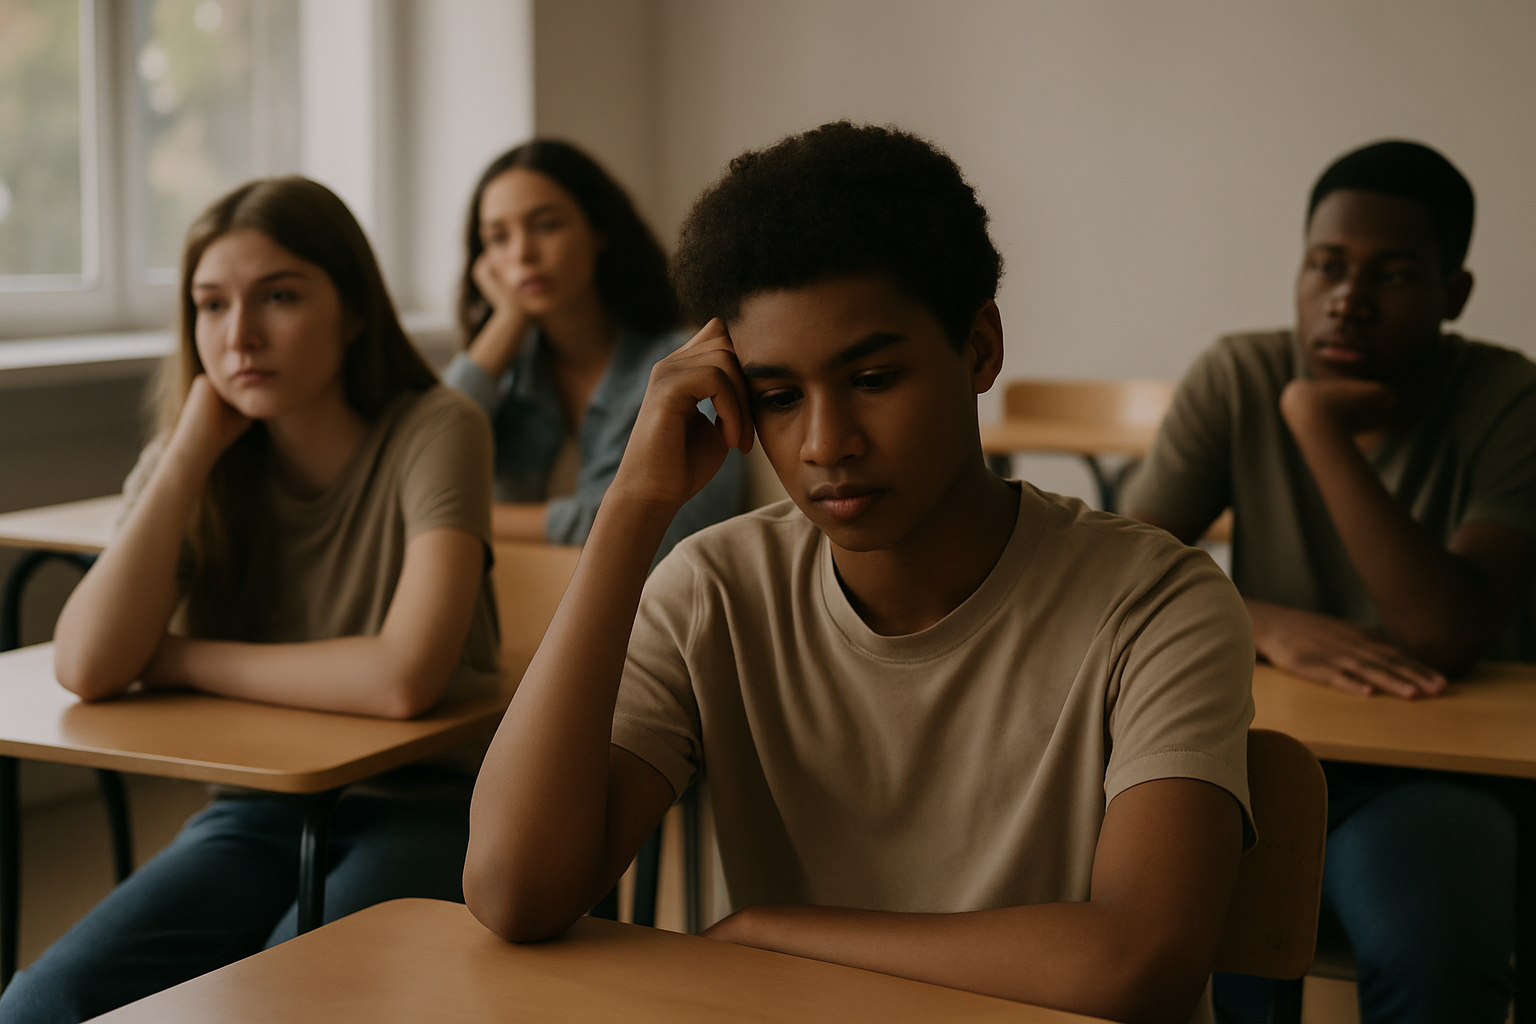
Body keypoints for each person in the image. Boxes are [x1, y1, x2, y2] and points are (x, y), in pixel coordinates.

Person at [463, 122, 1257, 1024]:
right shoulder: (715, 590)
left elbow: (1137, 964)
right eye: (777, 397)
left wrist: (772, 932)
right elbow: (514, 891)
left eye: (874, 378)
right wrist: (631, 507)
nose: (825, 443)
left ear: (979, 348)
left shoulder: (1159, 601)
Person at [0, 177, 500, 1024]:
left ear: (353, 311)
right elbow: (87, 664)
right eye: (210, 305)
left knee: (266, 1003)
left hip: (433, 805)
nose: (239, 336)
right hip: (256, 812)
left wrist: (177, 660)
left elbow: (402, 679)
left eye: (279, 296)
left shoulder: (438, 427)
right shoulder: (193, 456)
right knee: (39, 1005)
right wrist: (188, 453)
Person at [1126, 140, 1536, 1024]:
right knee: (1211, 939)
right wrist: (1255, 617)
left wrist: (1313, 420)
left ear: (1454, 294)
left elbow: (1446, 631)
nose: (1348, 299)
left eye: (1394, 275)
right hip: (1259, 747)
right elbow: (1116, 578)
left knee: (1434, 956)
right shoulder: (1238, 374)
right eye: (1327, 265)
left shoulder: (1509, 397)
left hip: (1440, 771)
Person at [442, 139, 744, 554]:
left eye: (546, 225)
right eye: (498, 237)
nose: (522, 253)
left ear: (599, 230)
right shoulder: (507, 377)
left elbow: (653, 534)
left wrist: (463, 518)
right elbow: (419, 457)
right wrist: (507, 320)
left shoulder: (687, 370)